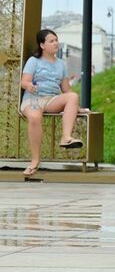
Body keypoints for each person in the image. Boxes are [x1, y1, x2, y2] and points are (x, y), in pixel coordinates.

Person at [19, 29, 82, 175]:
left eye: (56, 40)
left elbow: (66, 89)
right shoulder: (33, 61)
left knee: (73, 97)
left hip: (51, 99)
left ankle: (66, 138)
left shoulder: (61, 64)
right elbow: (24, 81)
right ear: (42, 45)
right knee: (35, 117)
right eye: (51, 41)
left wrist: (77, 106)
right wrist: (29, 86)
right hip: (33, 99)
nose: (55, 43)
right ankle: (35, 161)